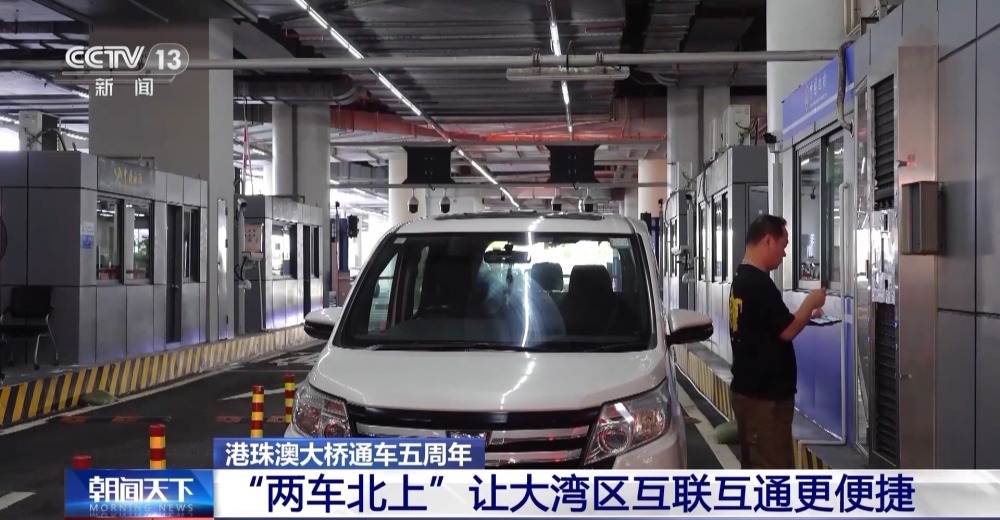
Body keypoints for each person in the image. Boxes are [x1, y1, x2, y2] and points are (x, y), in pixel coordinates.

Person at [728, 214, 826, 469]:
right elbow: (787, 330)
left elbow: (770, 325)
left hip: (752, 393)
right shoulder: (758, 284)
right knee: (771, 469)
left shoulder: (743, 278)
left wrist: (806, 316)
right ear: (768, 241)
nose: (784, 254)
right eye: (783, 246)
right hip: (763, 400)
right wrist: (810, 302)